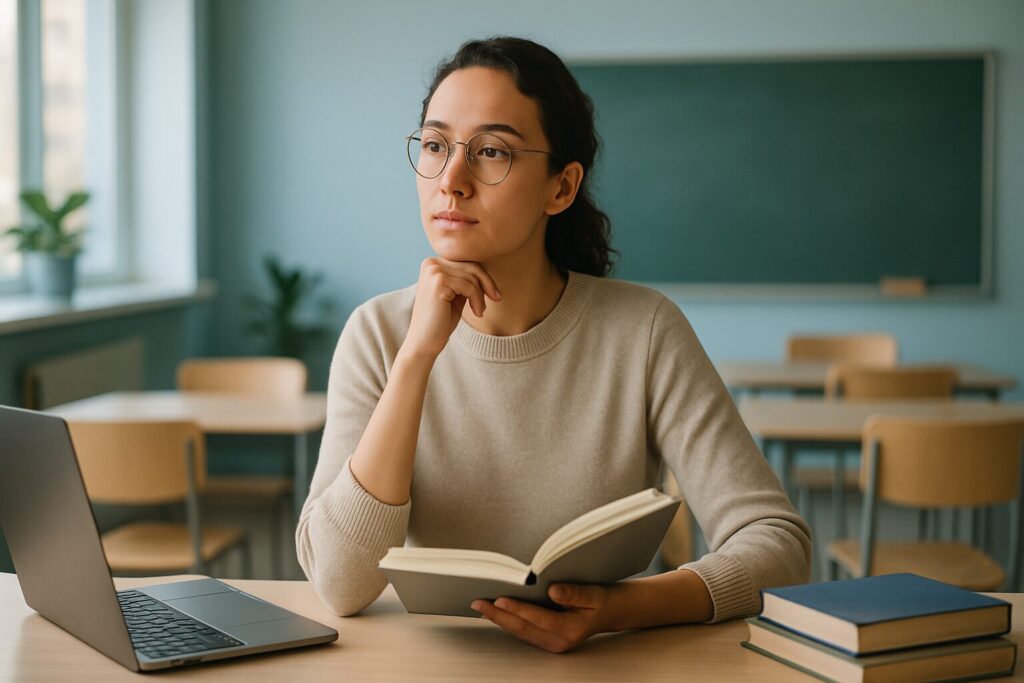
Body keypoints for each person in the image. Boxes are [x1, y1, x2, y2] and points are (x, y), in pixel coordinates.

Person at [296, 36, 811, 654]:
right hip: (431, 664)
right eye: (434, 146)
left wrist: (625, 608)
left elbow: (778, 544)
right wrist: (417, 357)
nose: (451, 181)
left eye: (491, 152)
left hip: (606, 663)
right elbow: (340, 583)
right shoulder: (378, 332)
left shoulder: (645, 330)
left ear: (561, 188)